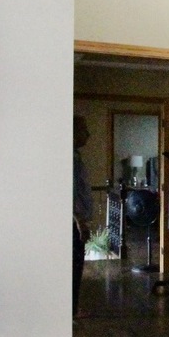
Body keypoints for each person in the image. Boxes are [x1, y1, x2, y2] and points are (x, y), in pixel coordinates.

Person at [73, 115, 93, 322]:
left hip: (77, 221)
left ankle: (73, 308)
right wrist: (79, 221)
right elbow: (71, 192)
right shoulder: (72, 159)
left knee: (78, 264)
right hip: (74, 223)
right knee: (75, 265)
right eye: (84, 130)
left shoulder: (76, 157)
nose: (88, 135)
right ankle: (72, 310)